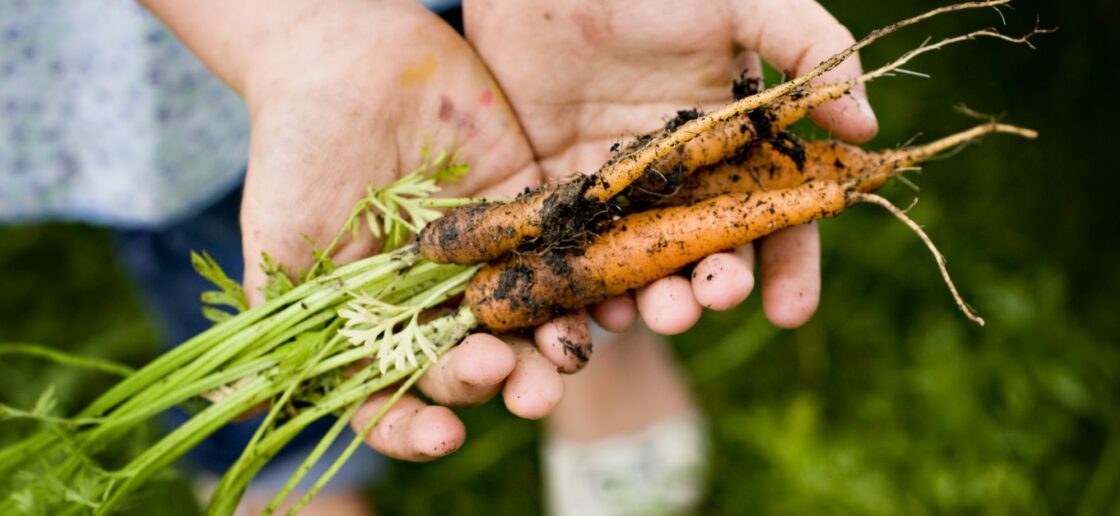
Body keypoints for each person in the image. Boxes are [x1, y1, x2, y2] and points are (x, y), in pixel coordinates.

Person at [0, 0, 875, 513]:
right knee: (214, 227)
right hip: (149, 57)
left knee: (528, 143)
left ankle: (605, 351)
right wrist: (296, 33)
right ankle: (284, 471)